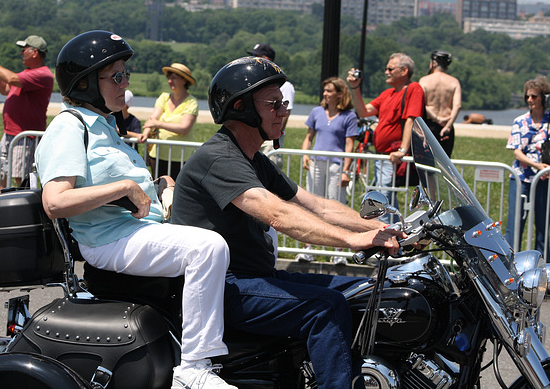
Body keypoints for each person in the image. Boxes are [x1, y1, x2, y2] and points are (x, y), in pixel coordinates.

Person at [171, 56, 403, 389]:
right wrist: (353, 241)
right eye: (274, 104)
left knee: (363, 291)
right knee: (326, 306)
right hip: (223, 288)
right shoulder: (220, 157)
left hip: (257, 278)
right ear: (241, 108)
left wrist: (379, 229)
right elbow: (278, 214)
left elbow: (317, 206)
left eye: (285, 103)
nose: (284, 111)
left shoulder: (255, 159)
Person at [34, 30, 235, 389]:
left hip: (138, 232)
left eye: (125, 74)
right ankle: (194, 368)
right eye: (115, 76)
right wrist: (124, 187)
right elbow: (55, 202)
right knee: (208, 248)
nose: (124, 84)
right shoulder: (69, 126)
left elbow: (133, 191)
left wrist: (163, 188)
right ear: (84, 83)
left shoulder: (108, 127)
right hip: (108, 240)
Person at [348, 53, 425, 221]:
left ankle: (387, 238)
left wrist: (402, 150)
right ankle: (395, 239)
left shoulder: (414, 89)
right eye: (386, 69)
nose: (386, 72)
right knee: (385, 201)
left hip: (392, 157)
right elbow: (364, 112)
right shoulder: (387, 93)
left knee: (382, 204)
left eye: (390, 69)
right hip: (382, 157)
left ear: (404, 71)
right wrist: (355, 87)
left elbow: (411, 120)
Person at [297, 77, 358, 263]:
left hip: (337, 165)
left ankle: (338, 250)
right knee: (312, 203)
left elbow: (349, 145)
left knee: (336, 205)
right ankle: (309, 248)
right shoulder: (316, 112)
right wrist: (305, 154)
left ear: (340, 94)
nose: (325, 94)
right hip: (316, 162)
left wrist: (347, 169)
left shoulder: (349, 116)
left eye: (330, 90)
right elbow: (309, 137)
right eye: (325, 90)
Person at [0, 35, 54, 188]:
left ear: (34, 52)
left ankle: (25, 211)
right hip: (11, 134)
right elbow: (4, 88)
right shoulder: (27, 74)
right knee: (2, 177)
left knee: (22, 182)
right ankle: (2, 209)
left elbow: (11, 79)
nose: (21, 53)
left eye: (24, 50)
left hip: (25, 137)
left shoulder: (42, 74)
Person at [505, 75, 550, 256]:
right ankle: (509, 264)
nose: (530, 100)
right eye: (527, 96)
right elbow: (517, 152)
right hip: (521, 178)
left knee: (542, 226)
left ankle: (543, 269)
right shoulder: (520, 121)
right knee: (515, 225)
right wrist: (537, 165)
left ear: (544, 98)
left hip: (544, 179)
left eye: (534, 96)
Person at [142, 63, 198, 179]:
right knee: (157, 189)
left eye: (174, 78)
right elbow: (153, 118)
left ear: (184, 80)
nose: (170, 81)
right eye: (169, 78)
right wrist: (145, 133)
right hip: (158, 154)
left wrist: (158, 124)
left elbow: (184, 128)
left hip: (181, 157)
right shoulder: (164, 97)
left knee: (177, 191)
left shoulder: (192, 102)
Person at [247, 43, 295, 167]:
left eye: (256, 56)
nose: (252, 59)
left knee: (270, 174)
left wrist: (273, 134)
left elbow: (285, 114)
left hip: (270, 140)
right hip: (253, 137)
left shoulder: (286, 86)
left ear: (267, 59)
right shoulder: (255, 84)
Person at [418, 50, 462, 157]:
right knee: (445, 162)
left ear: (433, 63)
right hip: (447, 126)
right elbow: (457, 105)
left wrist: (437, 119)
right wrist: (448, 125)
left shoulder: (424, 80)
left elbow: (421, 103)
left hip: (429, 124)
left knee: (426, 161)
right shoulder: (454, 81)